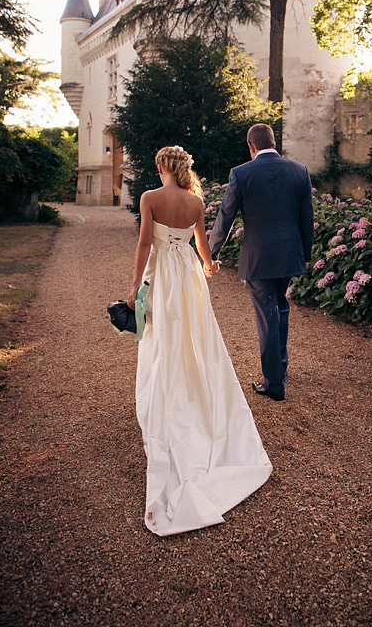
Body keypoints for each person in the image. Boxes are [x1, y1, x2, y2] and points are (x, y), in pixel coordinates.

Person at [128, 145, 272, 537]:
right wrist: (208, 265)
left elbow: (145, 244)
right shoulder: (195, 201)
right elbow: (201, 243)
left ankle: (170, 396)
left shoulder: (149, 198)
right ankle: (195, 393)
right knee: (195, 337)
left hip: (163, 275)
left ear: (162, 166)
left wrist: (133, 287)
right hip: (189, 275)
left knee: (164, 338)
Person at [209, 124, 314, 402]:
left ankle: (274, 384)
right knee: (280, 307)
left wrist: (211, 254)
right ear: (273, 142)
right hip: (290, 254)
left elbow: (225, 216)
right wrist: (306, 253)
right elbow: (307, 218)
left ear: (251, 146)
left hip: (258, 258)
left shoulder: (242, 173)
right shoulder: (299, 170)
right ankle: (280, 366)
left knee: (267, 314)